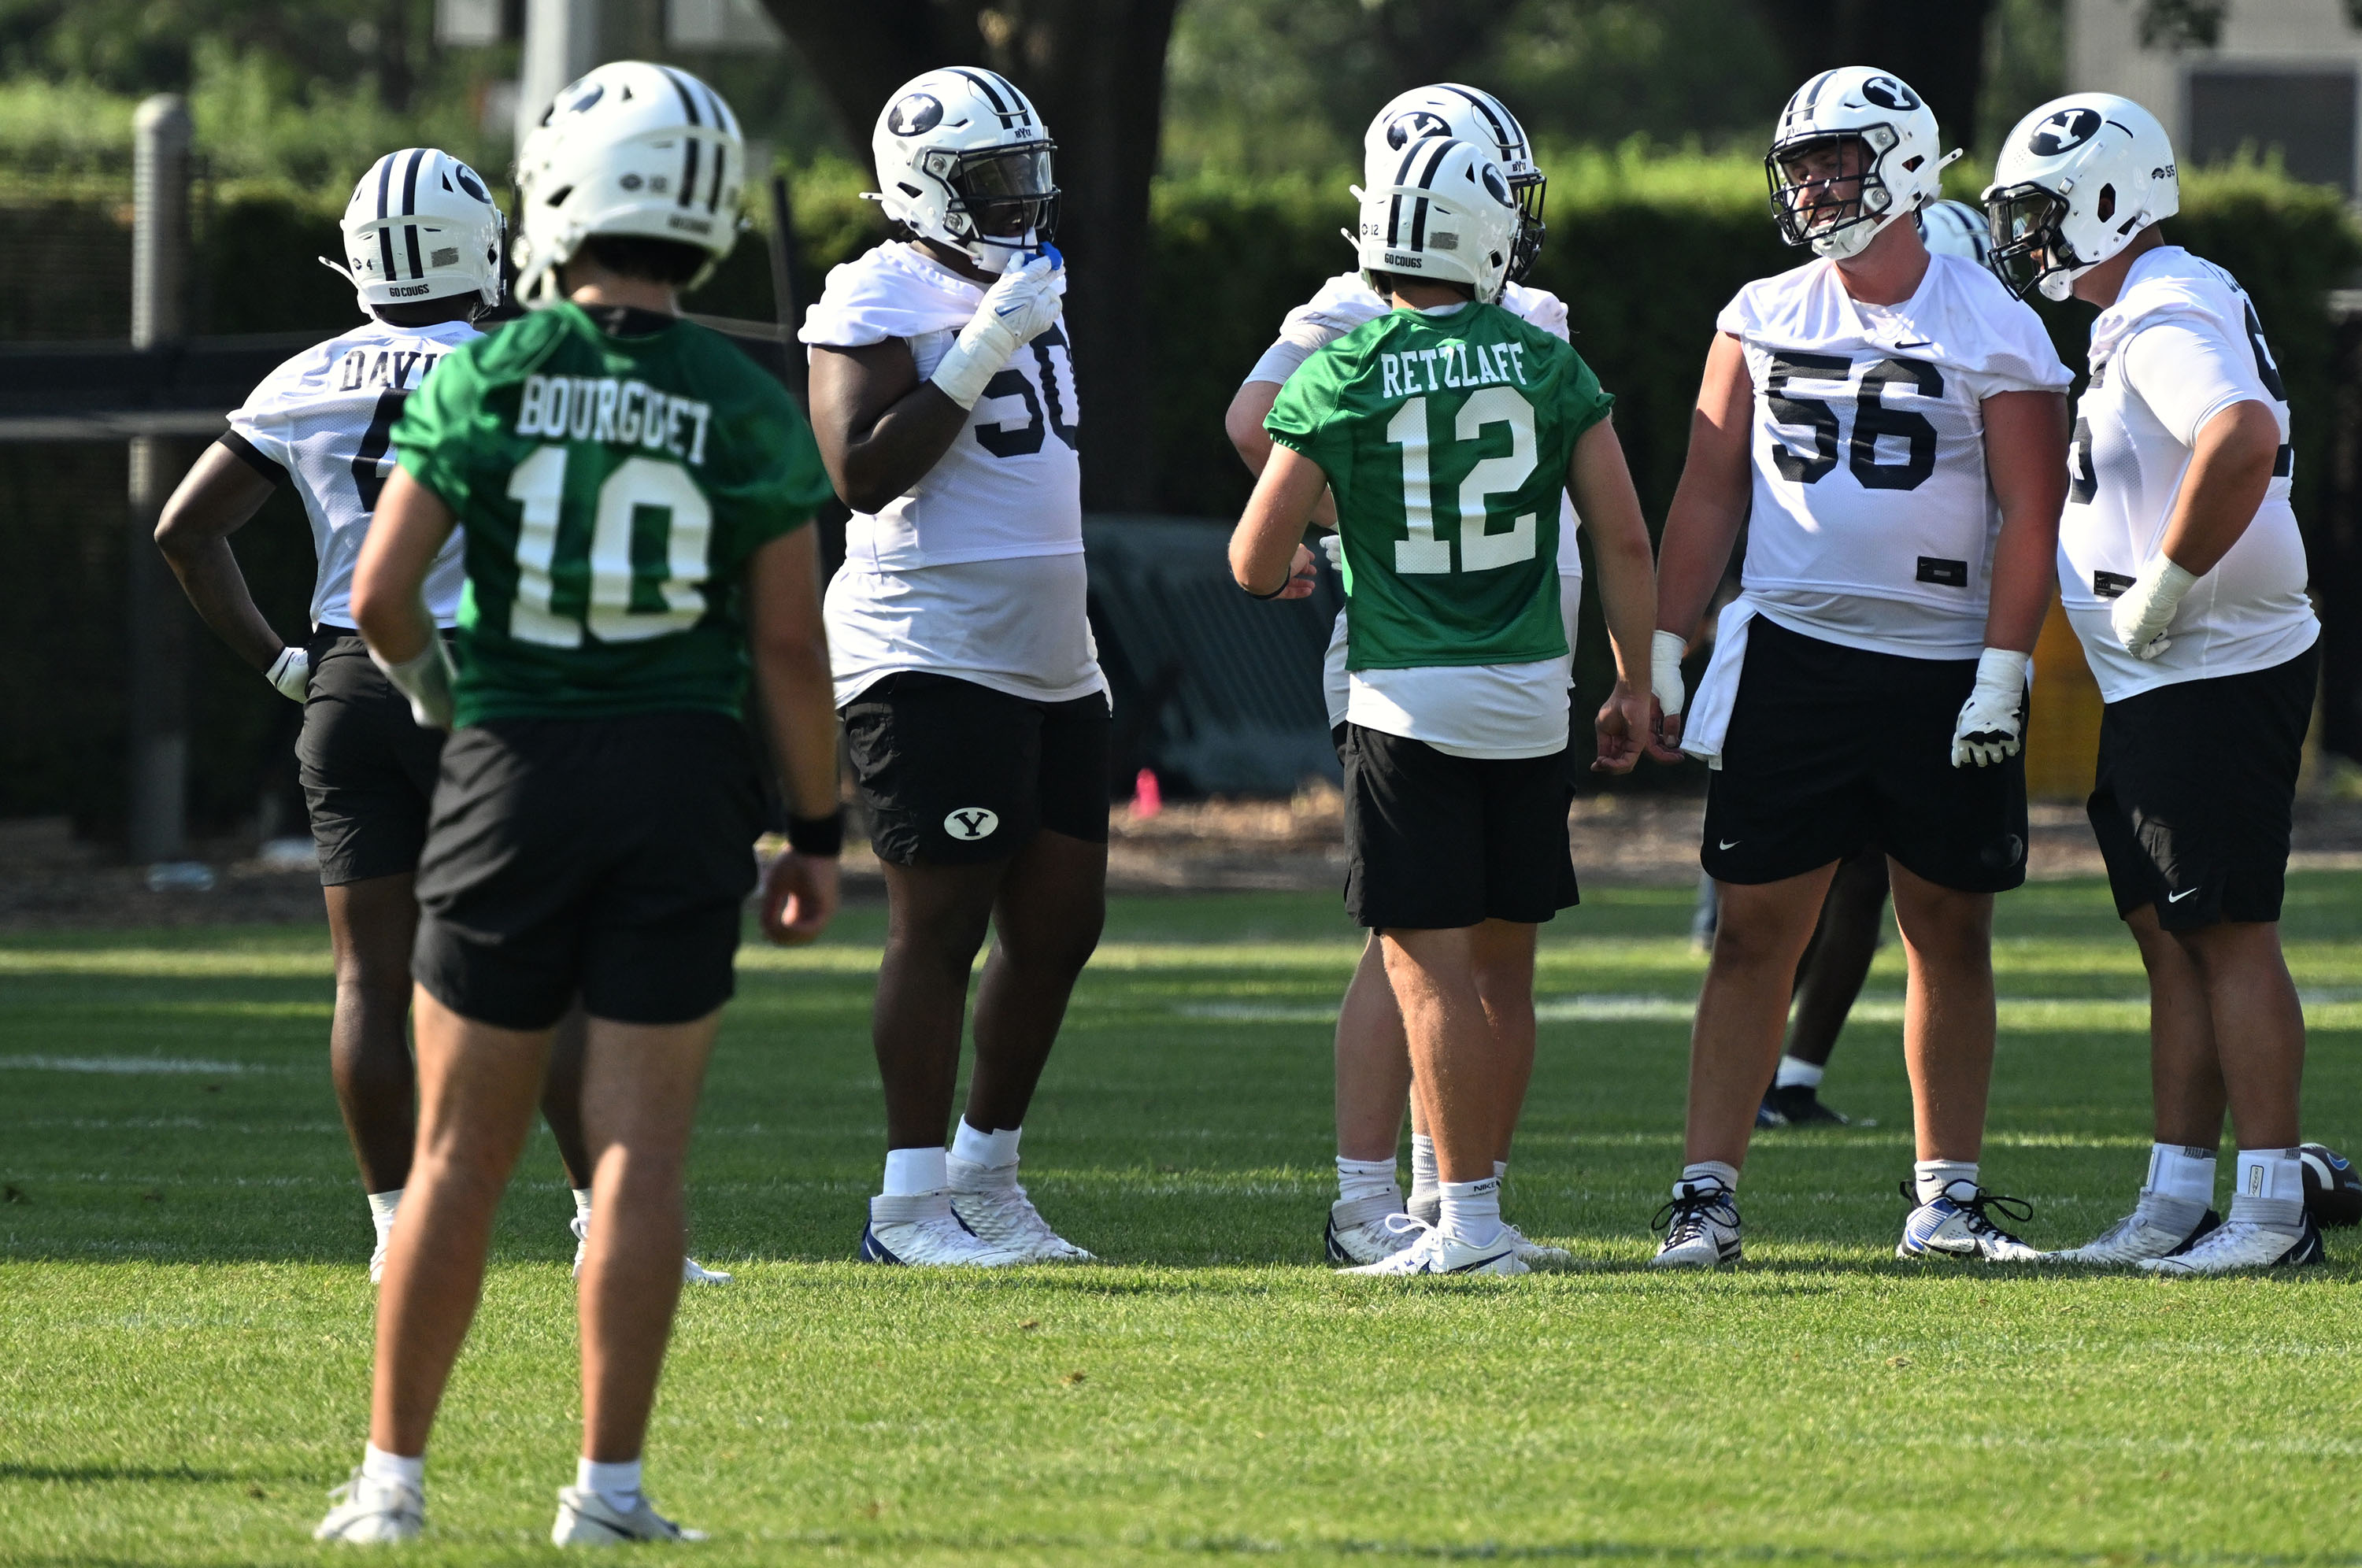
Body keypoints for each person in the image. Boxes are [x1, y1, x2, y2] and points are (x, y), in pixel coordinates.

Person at [313, 62, 843, 1544]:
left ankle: (393, 1483)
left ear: (555, 192)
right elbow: (792, 648)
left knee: (453, 1154)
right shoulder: (743, 395)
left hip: (513, 772)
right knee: (639, 1157)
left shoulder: (487, 372)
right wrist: (813, 832)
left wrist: (443, 700)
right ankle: (607, 1490)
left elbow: (379, 594)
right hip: (681, 780)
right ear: (708, 211)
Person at [153, 147, 727, 1287]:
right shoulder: (526, 363)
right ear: (484, 248)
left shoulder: (304, 375)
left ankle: (393, 1231)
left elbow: (183, 528)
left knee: (369, 976)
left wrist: (279, 664)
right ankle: (598, 1223)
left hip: (351, 682)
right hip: (493, 689)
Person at [1648, 67, 2071, 1267]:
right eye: (1803, 166)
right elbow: (1711, 486)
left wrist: (2003, 666)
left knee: (1950, 927)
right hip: (1793, 653)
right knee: (1751, 930)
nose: (1815, 185)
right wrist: (1667, 646)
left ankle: (1945, 1200)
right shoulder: (1763, 309)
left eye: (1837, 161)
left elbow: (2029, 514)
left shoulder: (1996, 323)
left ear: (1902, 161)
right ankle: (1705, 1193)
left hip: (1940, 661)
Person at [1230, 135, 1665, 1277]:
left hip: (1405, 696)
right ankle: (1486, 1209)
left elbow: (1251, 554)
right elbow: (1621, 535)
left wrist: (1307, 556)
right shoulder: (1543, 359)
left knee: (1423, 965)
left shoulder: (1343, 367)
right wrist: (1633, 677)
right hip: (1530, 694)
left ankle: (1461, 1225)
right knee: (1503, 964)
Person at [1986, 94, 2329, 1272]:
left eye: (2038, 213)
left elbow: (2240, 437)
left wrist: (2166, 585)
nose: (2026, 238)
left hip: (2210, 667)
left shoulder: (2166, 307)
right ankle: (2178, 1194)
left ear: (2108, 201)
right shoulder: (2147, 304)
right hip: (2165, 680)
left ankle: (2274, 1211)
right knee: (2170, 935)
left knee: (2230, 935)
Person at [802, 67, 1105, 1267]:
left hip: (1051, 652)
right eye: (992, 179)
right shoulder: (874, 289)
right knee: (939, 925)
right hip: (928, 645)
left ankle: (988, 1174)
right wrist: (977, 348)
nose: (1020, 199)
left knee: (1062, 920)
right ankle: (908, 1207)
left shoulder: (1026, 280)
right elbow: (862, 471)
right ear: (924, 186)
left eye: (1028, 173)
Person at [1746, 197, 1994, 1132]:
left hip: (1888, 646)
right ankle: (1780, 1078)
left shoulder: (1983, 335)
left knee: (1863, 893)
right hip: (1865, 648)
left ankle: (1794, 1076)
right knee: (1814, 896)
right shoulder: (1963, 330)